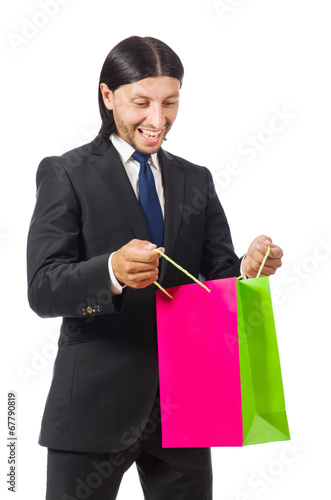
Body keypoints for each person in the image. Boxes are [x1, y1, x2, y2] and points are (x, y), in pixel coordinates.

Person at [26, 35, 283, 500]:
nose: (157, 120)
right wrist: (111, 272)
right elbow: (43, 289)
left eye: (170, 102)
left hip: (184, 408)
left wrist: (247, 273)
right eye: (141, 102)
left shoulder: (194, 179)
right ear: (108, 96)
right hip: (93, 407)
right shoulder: (66, 173)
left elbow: (215, 281)